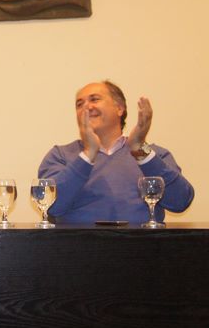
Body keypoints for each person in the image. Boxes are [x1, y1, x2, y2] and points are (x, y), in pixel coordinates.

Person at [38, 80, 194, 224]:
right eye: (79, 104)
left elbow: (180, 201)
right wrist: (88, 154)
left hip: (143, 245)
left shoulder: (153, 154)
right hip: (78, 245)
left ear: (119, 108)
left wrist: (139, 149)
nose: (86, 107)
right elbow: (50, 206)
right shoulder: (60, 155)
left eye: (94, 99)